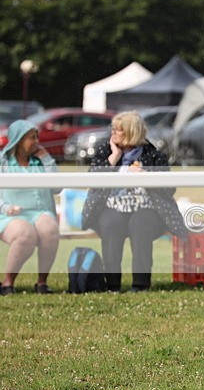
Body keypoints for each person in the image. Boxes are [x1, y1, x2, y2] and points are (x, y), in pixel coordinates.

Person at [82, 111, 188, 292]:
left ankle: (140, 285)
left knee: (140, 225)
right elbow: (93, 183)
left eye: (119, 130)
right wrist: (113, 159)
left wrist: (146, 176)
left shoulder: (153, 154)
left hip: (147, 207)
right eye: (113, 129)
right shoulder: (105, 151)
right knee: (111, 224)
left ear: (132, 131)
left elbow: (169, 188)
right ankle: (112, 285)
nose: (113, 133)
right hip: (112, 206)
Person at [0, 120, 60, 295]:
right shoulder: (3, 163)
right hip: (8, 214)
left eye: (36, 137)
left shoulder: (40, 161)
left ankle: (42, 283)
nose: (36, 142)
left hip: (40, 212)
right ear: (18, 140)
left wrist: (47, 159)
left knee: (49, 230)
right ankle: (7, 283)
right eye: (31, 138)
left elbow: (58, 187)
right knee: (25, 234)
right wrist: (5, 208)